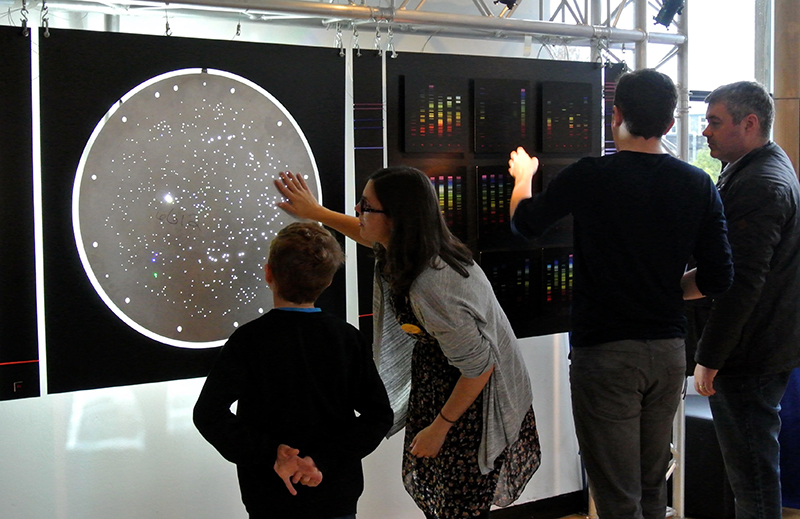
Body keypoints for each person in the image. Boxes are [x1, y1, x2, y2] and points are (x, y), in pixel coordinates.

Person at [508, 68, 734, 519]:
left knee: (615, 492)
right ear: (670, 125)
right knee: (653, 483)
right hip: (669, 352)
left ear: (616, 114)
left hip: (605, 352)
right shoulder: (696, 183)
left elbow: (525, 223)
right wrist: (670, 292)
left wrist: (522, 177)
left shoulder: (591, 175)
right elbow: (719, 277)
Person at [275, 166, 541, 519]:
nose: (359, 211)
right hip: (442, 386)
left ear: (398, 218)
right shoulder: (407, 249)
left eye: (366, 206)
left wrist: (439, 427)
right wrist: (316, 214)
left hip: (470, 404)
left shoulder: (432, 283)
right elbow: (366, 233)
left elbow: (479, 368)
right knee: (441, 499)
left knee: (458, 507)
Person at [193, 222, 393, 519]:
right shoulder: (346, 338)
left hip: (269, 496)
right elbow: (379, 416)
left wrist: (272, 455)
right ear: (327, 282)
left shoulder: (248, 341)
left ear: (268, 273)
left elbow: (209, 414)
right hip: (335, 493)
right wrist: (320, 461)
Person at [689, 81, 800, 519]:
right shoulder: (761, 167)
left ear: (749, 123)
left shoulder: (761, 182)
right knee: (751, 476)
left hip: (749, 355)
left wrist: (710, 357)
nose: (705, 132)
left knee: (752, 480)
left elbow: (742, 282)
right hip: (760, 348)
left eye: (714, 122)